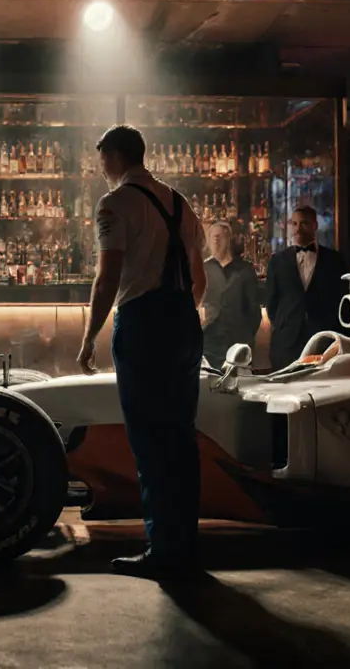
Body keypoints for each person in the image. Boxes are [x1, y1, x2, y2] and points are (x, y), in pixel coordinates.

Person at [77, 124, 207, 579]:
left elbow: (107, 276)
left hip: (144, 323)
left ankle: (163, 552)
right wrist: (179, 316)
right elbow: (199, 278)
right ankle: (184, 545)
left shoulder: (114, 203)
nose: (101, 170)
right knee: (180, 438)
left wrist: (90, 334)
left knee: (150, 442)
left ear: (114, 158)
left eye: (102, 161)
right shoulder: (181, 203)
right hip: (184, 322)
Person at [264, 206, 347, 370]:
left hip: (323, 340)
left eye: (304, 223)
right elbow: (271, 303)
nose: (298, 229)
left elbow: (341, 299)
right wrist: (283, 326)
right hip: (286, 343)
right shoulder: (277, 261)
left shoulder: (334, 260)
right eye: (294, 224)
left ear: (315, 225)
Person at [201, 221, 261, 368]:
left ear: (229, 240)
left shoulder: (245, 270)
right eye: (212, 237)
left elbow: (254, 312)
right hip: (209, 346)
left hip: (238, 344)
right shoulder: (203, 269)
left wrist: (246, 338)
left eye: (219, 236)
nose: (215, 240)